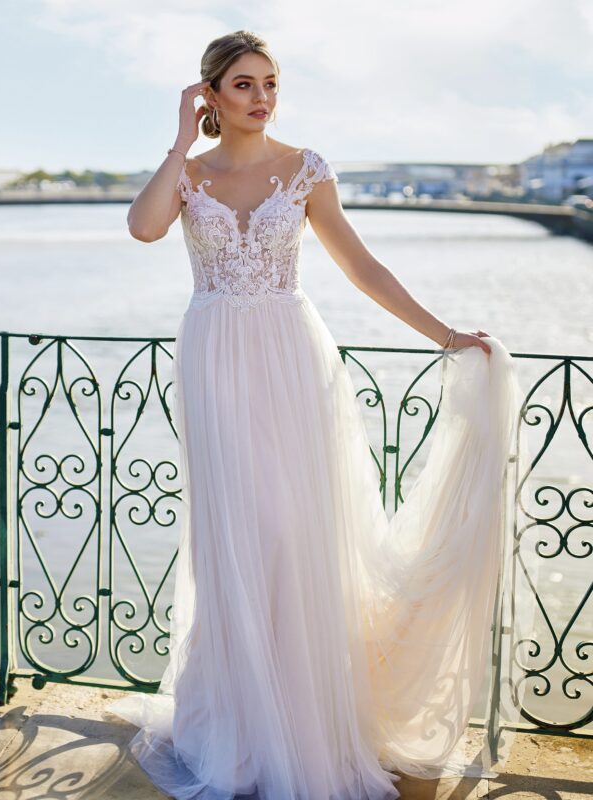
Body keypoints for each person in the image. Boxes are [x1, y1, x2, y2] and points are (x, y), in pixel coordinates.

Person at [106, 29, 530, 800]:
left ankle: (302, 723)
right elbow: (141, 227)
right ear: (210, 94)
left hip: (292, 361)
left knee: (293, 535)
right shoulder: (190, 174)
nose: (261, 97)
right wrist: (175, 141)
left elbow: (362, 266)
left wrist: (445, 337)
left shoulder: (305, 170)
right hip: (214, 364)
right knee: (237, 537)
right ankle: (241, 723)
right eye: (242, 84)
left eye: (270, 82)